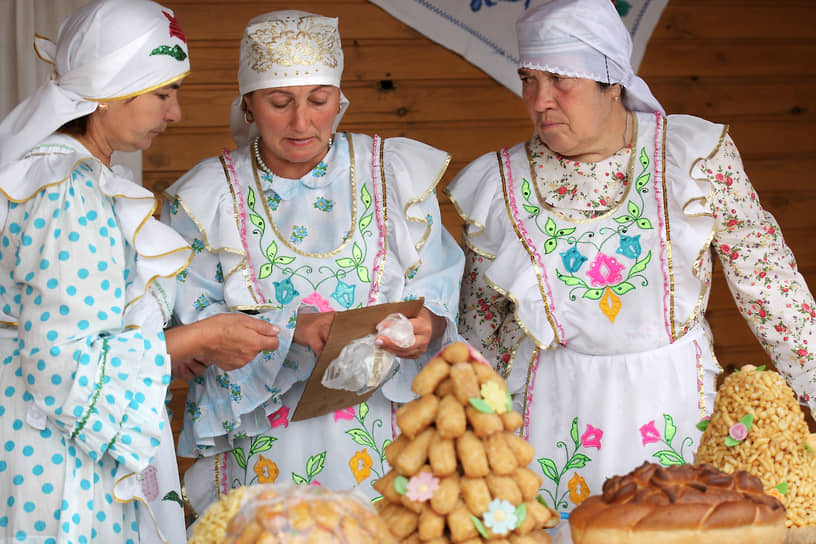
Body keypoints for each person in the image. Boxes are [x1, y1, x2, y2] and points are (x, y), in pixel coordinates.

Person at [445, 0, 816, 537]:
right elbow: (483, 331)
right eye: (529, 79)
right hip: (550, 417)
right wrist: (471, 448)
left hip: (675, 404)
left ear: (611, 82)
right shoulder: (496, 185)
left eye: (559, 79)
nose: (539, 100)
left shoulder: (692, 156)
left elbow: (770, 285)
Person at [161, 9, 464, 516]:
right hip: (265, 441)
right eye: (280, 103)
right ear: (249, 106)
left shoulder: (392, 174)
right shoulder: (207, 195)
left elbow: (437, 282)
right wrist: (291, 330)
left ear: (338, 101)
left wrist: (424, 327)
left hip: (382, 429)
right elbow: (190, 321)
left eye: (318, 101)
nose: (302, 121)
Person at [0, 1, 281, 542]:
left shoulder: (56, 174)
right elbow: (62, 365)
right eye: (163, 93)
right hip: (59, 468)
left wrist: (165, 353)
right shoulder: (69, 194)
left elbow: (76, 332)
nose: (174, 113)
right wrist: (198, 336)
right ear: (109, 93)